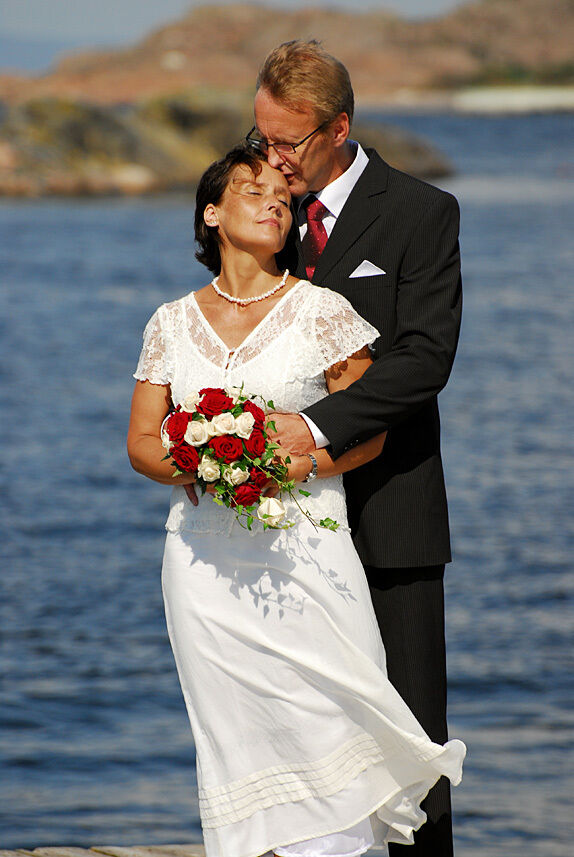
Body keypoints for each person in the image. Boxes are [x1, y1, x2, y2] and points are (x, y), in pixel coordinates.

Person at [127, 145, 465, 857]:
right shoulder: (169, 322)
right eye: (253, 191)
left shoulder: (324, 313)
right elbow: (143, 444)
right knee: (235, 730)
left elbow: (368, 435)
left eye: (283, 196)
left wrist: (295, 463)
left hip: (308, 553)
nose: (274, 202)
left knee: (328, 716)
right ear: (211, 213)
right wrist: (209, 461)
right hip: (203, 564)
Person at [248, 40, 463, 857]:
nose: (273, 158)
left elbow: (424, 359)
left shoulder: (421, 212)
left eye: (288, 142)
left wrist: (312, 428)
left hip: (392, 516)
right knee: (294, 734)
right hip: (278, 524)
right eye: (261, 137)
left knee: (410, 743)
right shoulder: (261, 209)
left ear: (339, 128)